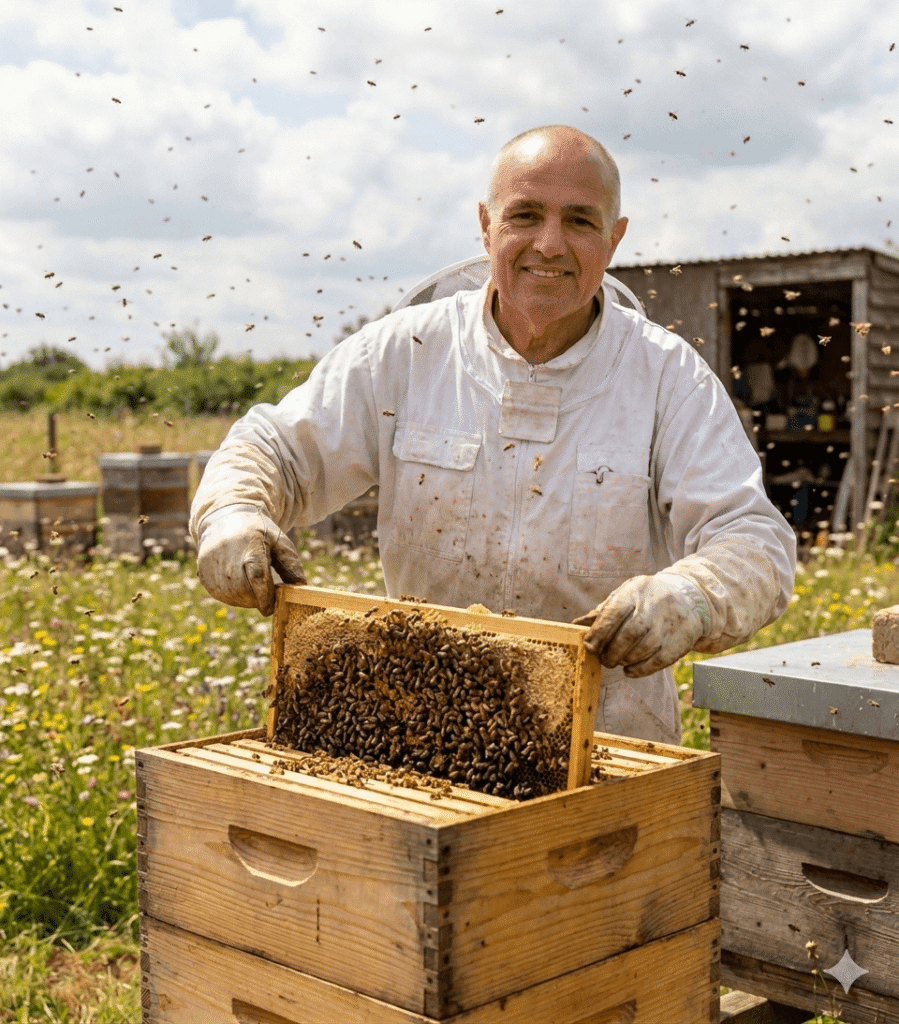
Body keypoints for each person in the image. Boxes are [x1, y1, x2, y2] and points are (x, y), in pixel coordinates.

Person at [191, 125, 796, 745]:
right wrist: (232, 513)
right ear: (487, 226)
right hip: (421, 729)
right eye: (525, 215)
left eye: (581, 221)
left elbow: (754, 539)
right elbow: (274, 450)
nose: (549, 244)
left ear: (615, 239)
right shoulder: (404, 352)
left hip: (606, 741)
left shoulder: (668, 377)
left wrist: (691, 596)